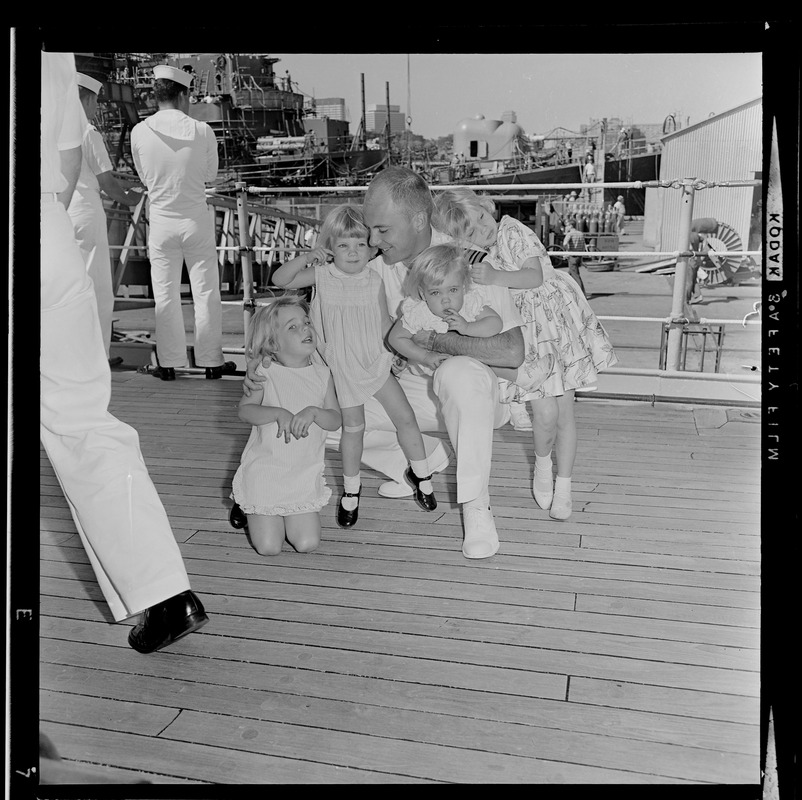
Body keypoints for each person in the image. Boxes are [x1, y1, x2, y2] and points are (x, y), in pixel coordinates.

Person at [243, 167, 528, 559]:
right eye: (369, 232)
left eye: (382, 230)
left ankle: (477, 506)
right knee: (315, 418)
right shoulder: (368, 266)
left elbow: (512, 354)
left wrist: (432, 341)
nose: (372, 240)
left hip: (476, 396)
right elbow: (313, 323)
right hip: (409, 387)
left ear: (418, 220)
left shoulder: (467, 261)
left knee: (459, 373)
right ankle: (415, 461)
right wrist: (264, 373)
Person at [40, 49, 208, 654]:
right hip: (45, 233)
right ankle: (166, 593)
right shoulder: (51, 55)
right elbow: (61, 169)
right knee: (85, 422)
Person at [432, 186, 618, 520]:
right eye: (472, 231)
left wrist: (496, 276)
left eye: (481, 216)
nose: (483, 228)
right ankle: (542, 463)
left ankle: (564, 485)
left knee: (565, 414)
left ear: (487, 207)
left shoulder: (513, 230)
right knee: (545, 415)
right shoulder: (475, 256)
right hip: (524, 333)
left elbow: (534, 276)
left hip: (554, 327)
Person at [269, 204, 438, 528]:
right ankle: (351, 491)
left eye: (360, 244)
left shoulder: (373, 279)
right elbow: (280, 278)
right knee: (353, 429)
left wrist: (402, 350)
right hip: (341, 369)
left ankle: (422, 476)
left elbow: (382, 322)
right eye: (343, 245)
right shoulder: (320, 275)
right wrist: (307, 257)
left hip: (373, 360)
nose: (353, 252)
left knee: (405, 417)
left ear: (371, 246)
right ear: (330, 247)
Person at [130, 64, 234, 381]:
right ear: (184, 95)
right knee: (206, 293)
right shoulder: (203, 131)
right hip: (195, 220)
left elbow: (143, 175)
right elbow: (210, 176)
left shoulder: (139, 131)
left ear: (157, 95)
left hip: (161, 221)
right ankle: (212, 362)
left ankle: (169, 363)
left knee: (165, 296)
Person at [230, 296, 342, 554]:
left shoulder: (322, 375)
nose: (305, 329)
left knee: (307, 544)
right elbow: (245, 411)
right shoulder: (264, 373)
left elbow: (335, 420)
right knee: (269, 547)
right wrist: (276, 412)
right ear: (273, 344)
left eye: (306, 323)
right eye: (293, 327)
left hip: (301, 474)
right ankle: (248, 503)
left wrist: (315, 412)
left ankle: (278, 516)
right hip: (266, 473)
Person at [388, 243, 553, 401]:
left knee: (477, 350)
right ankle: (521, 378)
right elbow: (395, 338)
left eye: (453, 290)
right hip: (433, 365)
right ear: (423, 295)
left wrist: (467, 327)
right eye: (435, 293)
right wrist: (425, 356)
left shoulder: (469, 303)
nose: (446, 300)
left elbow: (495, 323)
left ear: (464, 287)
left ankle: (517, 384)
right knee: (468, 357)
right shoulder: (419, 312)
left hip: (466, 366)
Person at [68, 72, 145, 365]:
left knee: (69, 288)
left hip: (61, 215)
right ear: (86, 99)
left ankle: (72, 355)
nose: (96, 109)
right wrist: (132, 197)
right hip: (87, 215)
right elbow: (106, 182)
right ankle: (97, 357)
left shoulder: (51, 131)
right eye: (95, 102)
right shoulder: (88, 133)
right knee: (98, 290)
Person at [562, 220, 587, 295]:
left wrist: (567, 250)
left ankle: (582, 293)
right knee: (569, 274)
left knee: (575, 276)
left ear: (571, 226)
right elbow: (583, 246)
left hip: (572, 256)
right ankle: (566, 291)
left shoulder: (570, 234)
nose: (566, 227)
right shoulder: (581, 234)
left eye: (567, 225)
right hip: (578, 256)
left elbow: (565, 243)